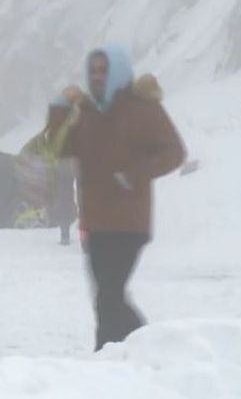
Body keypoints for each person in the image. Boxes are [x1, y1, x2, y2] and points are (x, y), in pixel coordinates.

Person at [48, 45, 186, 351]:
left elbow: (174, 152)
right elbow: (59, 149)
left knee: (109, 293)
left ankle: (135, 348)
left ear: (118, 71)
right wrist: (60, 107)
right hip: (95, 220)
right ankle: (122, 352)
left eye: (103, 69)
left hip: (128, 221)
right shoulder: (85, 113)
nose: (97, 76)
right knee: (105, 296)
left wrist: (134, 173)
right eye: (93, 70)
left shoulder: (142, 107)